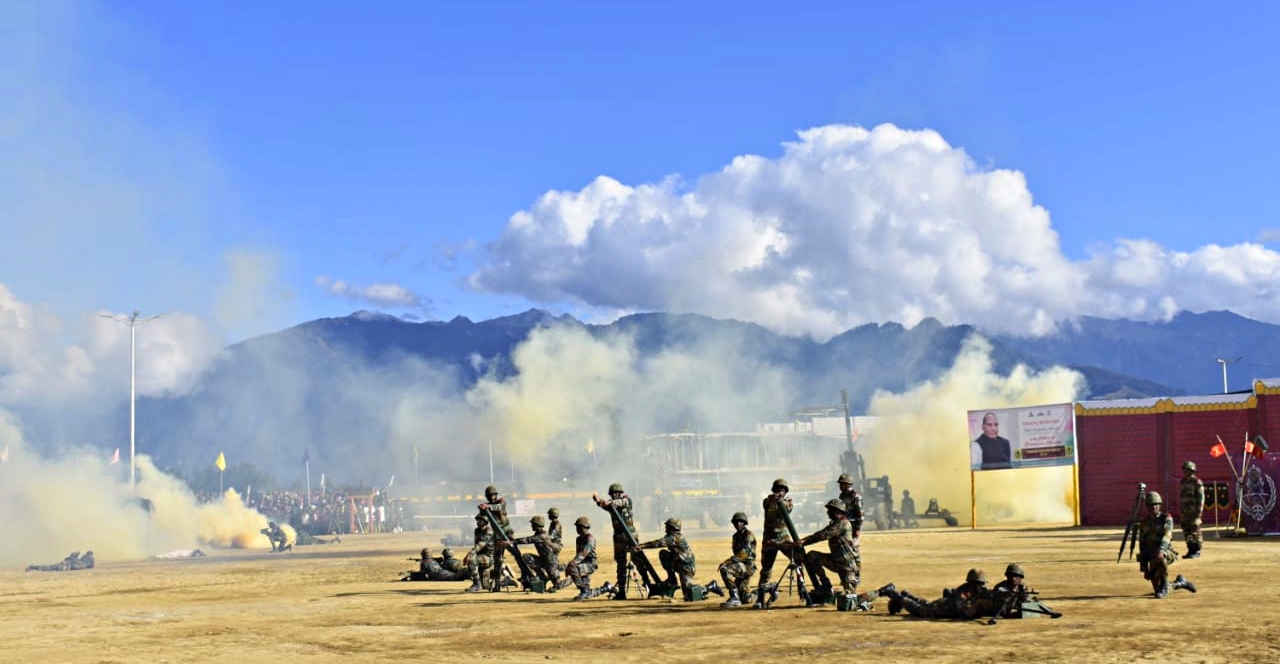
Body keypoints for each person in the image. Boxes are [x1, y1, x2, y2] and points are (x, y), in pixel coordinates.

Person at [786, 498, 860, 605]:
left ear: (839, 511)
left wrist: (803, 542)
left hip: (846, 566)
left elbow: (822, 535)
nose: (828, 513)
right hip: (835, 562)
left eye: (831, 510)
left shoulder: (843, 524)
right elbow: (822, 533)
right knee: (812, 556)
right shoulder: (835, 523)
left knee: (851, 600)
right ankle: (825, 585)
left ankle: (881, 592)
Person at [635, 517, 723, 601]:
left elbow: (657, 543)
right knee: (663, 554)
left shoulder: (674, 537)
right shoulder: (671, 537)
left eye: (667, 526)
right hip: (678, 563)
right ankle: (672, 579)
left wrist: (641, 546)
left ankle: (711, 587)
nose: (665, 528)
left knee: (689, 594)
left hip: (686, 567)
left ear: (673, 528)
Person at [1138, 491, 1197, 598]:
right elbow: (1142, 546)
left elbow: (1167, 535)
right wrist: (1145, 569)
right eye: (1151, 505)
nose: (1154, 507)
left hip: (1166, 552)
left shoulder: (1166, 518)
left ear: (1160, 505)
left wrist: (1162, 549)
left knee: (1160, 557)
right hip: (1151, 555)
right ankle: (1179, 583)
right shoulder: (1144, 523)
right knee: (1157, 589)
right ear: (1147, 506)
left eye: (1156, 504)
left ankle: (1165, 584)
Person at [593, 482, 641, 600]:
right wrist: (598, 501)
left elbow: (614, 503)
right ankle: (622, 591)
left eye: (616, 493)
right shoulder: (612, 506)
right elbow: (604, 505)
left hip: (630, 535)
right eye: (613, 494)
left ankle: (648, 584)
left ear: (620, 493)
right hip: (619, 537)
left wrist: (605, 501)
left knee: (639, 561)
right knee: (621, 564)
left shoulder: (627, 501)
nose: (614, 496)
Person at [884, 569, 994, 619]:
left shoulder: (975, 591)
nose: (982, 587)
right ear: (972, 583)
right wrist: (979, 605)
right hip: (936, 611)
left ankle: (906, 594)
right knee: (917, 609)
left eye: (982, 584)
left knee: (924, 603)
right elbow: (965, 614)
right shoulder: (962, 595)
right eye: (979, 584)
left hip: (938, 605)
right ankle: (892, 592)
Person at [754, 477, 796, 609]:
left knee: (798, 560)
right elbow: (767, 504)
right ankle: (760, 599)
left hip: (783, 538)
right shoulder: (768, 501)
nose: (779, 492)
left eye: (782, 490)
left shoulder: (788, 502)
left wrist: (782, 501)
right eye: (777, 490)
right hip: (769, 540)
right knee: (766, 570)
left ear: (785, 492)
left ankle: (803, 592)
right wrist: (774, 499)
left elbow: (788, 509)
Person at [512, 515, 570, 591]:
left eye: (533, 524)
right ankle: (542, 576)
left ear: (538, 525)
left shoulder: (542, 536)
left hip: (551, 563)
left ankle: (572, 578)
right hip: (543, 560)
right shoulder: (538, 534)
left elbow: (528, 540)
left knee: (557, 584)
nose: (531, 526)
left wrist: (512, 541)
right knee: (527, 557)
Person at [717, 511, 757, 608]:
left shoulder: (749, 535)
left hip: (747, 566)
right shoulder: (735, 537)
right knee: (746, 599)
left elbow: (743, 554)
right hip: (739, 565)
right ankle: (760, 592)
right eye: (736, 522)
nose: (738, 524)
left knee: (725, 569)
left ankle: (734, 597)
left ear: (744, 523)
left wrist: (727, 562)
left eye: (741, 522)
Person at [991, 563, 1059, 619]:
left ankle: (1050, 612)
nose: (1013, 579)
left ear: (1020, 578)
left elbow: (1026, 602)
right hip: (998, 608)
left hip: (1014, 605)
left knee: (1034, 603)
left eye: (1016, 576)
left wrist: (1024, 596)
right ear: (1007, 576)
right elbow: (1001, 609)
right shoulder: (1001, 587)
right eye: (1011, 576)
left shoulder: (1021, 587)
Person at [566, 516, 599, 600]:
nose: (577, 529)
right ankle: (606, 588)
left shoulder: (589, 538)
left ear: (584, 527)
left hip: (591, 564)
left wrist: (573, 563)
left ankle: (584, 591)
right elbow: (578, 554)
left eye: (578, 527)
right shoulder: (579, 539)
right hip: (582, 563)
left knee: (573, 568)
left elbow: (584, 552)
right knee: (588, 590)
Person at [1179, 461, 1205, 559]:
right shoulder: (1183, 482)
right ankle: (1190, 550)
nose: (1185, 471)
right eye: (1184, 469)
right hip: (1185, 512)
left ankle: (1196, 550)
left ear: (1192, 470)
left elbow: (1201, 498)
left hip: (1194, 512)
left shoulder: (1197, 482)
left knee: (1195, 531)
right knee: (1187, 531)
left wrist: (1198, 514)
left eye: (1187, 469)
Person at [465, 514, 496, 593]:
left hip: (489, 557)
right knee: (486, 586)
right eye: (477, 520)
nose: (478, 522)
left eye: (480, 520)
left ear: (485, 522)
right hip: (482, 557)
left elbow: (480, 545)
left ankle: (476, 584)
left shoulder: (489, 531)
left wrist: (469, 554)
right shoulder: (477, 530)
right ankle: (504, 582)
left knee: (472, 560)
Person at [403, 547, 468, 582]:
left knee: (455, 578)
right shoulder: (434, 561)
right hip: (442, 572)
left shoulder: (424, 563)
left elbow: (422, 576)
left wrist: (412, 578)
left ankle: (465, 573)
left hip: (438, 575)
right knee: (455, 576)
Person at [26, 550, 94, 572]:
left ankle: (33, 567)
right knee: (49, 568)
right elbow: (91, 567)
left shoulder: (82, 560)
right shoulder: (84, 561)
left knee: (49, 567)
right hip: (67, 564)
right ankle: (33, 567)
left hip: (67, 564)